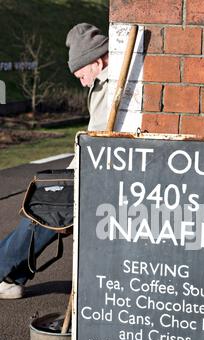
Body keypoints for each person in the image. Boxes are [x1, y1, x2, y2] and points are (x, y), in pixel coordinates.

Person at [0, 24, 109, 299]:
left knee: (43, 214)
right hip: (86, 168)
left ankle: (6, 272)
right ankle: (12, 274)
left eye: (82, 75)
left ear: (97, 61)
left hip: (100, 174)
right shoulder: (101, 84)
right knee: (42, 211)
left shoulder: (113, 85)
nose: (82, 82)